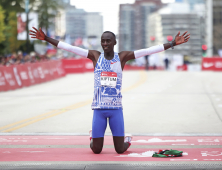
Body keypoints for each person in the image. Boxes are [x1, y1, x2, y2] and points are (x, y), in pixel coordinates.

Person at [29, 27, 190, 154]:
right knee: (96, 149)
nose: (105, 43)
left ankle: (127, 138)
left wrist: (172, 44)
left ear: (114, 42)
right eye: (103, 41)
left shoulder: (122, 57)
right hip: (99, 110)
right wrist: (46, 39)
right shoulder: (94, 56)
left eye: (108, 41)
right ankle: (93, 135)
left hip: (115, 110)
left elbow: (147, 51)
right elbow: (70, 48)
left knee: (120, 150)